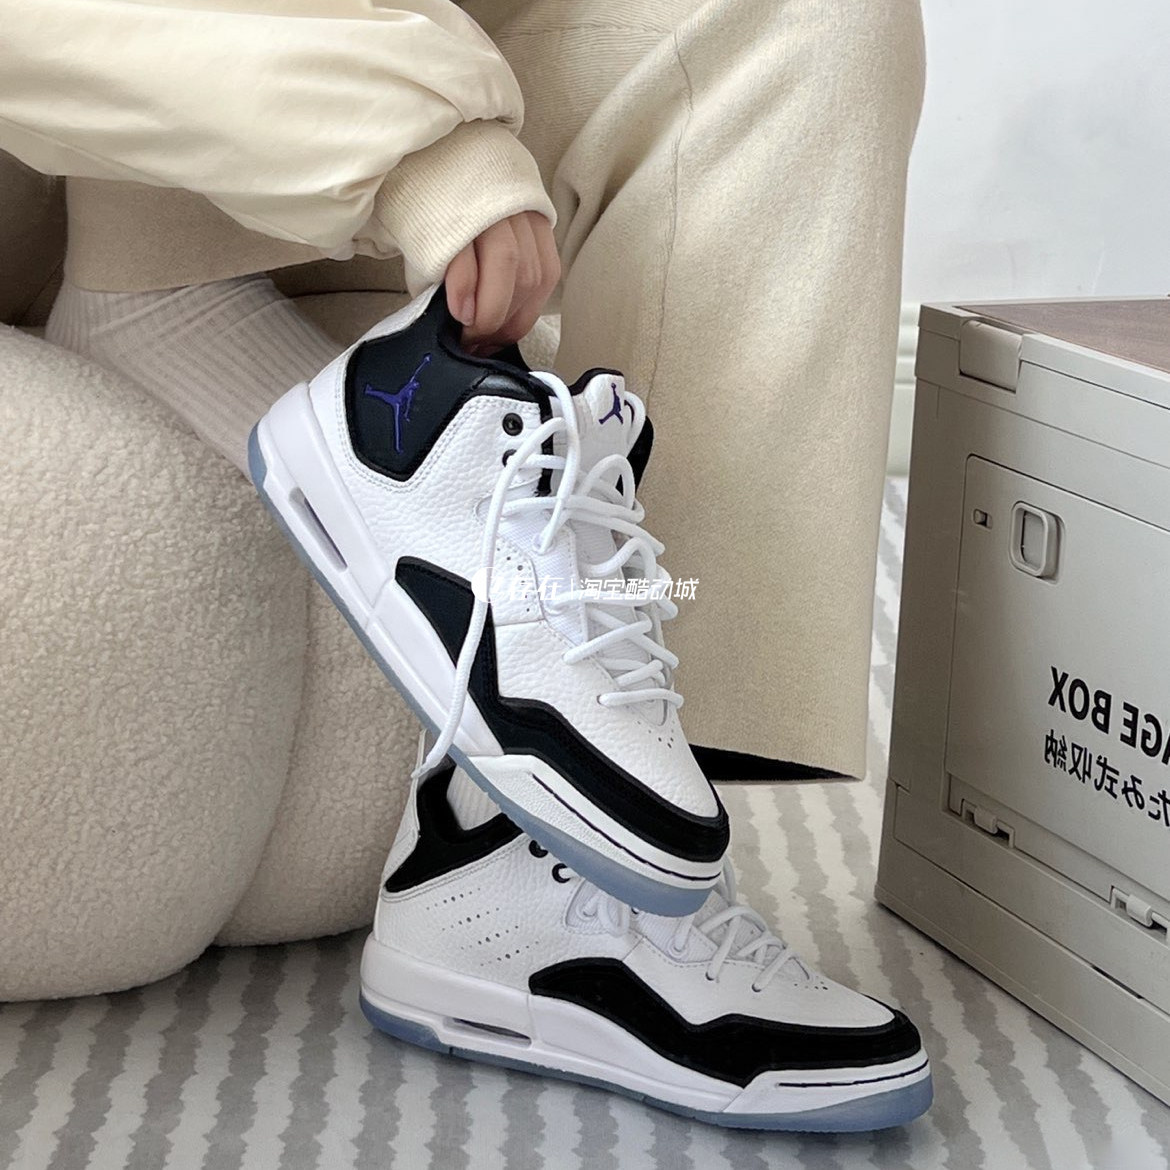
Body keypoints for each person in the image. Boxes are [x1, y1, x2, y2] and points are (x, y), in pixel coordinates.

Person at [1, 0, 930, 1131]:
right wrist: (435, 154)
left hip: (387, 144)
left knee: (816, 18)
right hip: (133, 133)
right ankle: (188, 318)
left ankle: (572, 860)